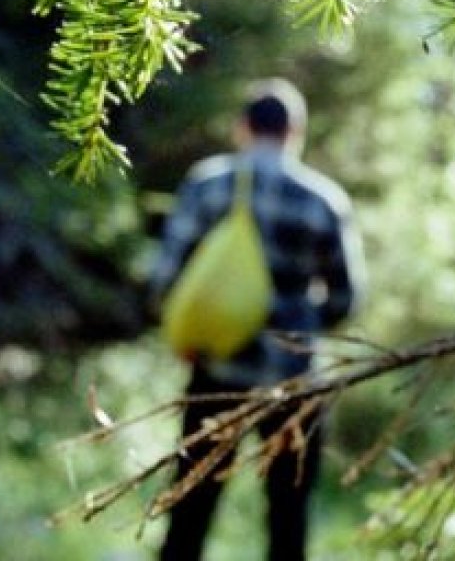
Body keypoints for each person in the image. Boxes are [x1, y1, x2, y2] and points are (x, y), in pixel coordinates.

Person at [150, 78, 362, 561]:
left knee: (191, 503)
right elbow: (346, 298)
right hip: (297, 378)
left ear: (242, 127)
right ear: (297, 132)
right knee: (288, 515)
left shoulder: (208, 183)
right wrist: (301, 323)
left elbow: (166, 277)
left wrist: (188, 330)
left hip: (216, 370)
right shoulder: (324, 199)